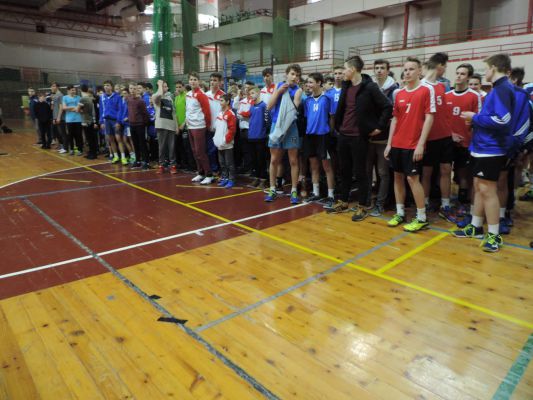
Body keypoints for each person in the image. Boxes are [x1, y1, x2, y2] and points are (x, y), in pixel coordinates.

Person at [452, 54, 515, 252]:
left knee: (488, 190)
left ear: (494, 68)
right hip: (482, 147)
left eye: (486, 68)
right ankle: (476, 226)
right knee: (479, 187)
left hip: (491, 149)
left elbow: (503, 120)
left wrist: (475, 118)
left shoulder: (503, 89)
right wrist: (476, 120)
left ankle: (494, 235)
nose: (485, 72)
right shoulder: (497, 89)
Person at [332, 55, 392, 221]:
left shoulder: (369, 87)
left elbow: (387, 106)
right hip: (343, 135)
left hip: (359, 137)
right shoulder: (346, 85)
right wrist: (338, 127)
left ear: (352, 69)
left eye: (345, 69)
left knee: (361, 172)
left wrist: (379, 127)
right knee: (344, 170)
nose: (343, 72)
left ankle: (363, 206)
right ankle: (344, 201)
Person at [384, 56, 435, 232]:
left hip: (413, 144)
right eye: (405, 69)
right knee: (397, 177)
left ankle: (421, 218)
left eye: (411, 69)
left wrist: (421, 144)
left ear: (420, 71)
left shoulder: (426, 90)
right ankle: (400, 213)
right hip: (397, 143)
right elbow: (395, 119)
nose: (407, 72)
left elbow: (429, 118)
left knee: (412, 179)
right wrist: (389, 144)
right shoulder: (399, 93)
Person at [445, 63, 482, 228]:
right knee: (445, 171)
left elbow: (478, 119)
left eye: (463, 74)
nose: (459, 76)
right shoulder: (447, 95)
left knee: (463, 175)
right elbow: (442, 119)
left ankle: (463, 202)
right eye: (457, 73)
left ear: (468, 77)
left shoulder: (474, 96)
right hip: (448, 140)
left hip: (466, 142)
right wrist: (450, 134)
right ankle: (445, 202)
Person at [420, 57, 454, 222]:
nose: (445, 69)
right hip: (429, 138)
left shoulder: (442, 86)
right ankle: (425, 202)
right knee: (426, 172)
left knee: (446, 170)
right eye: (445, 66)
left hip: (445, 136)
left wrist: (451, 131)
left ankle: (445, 205)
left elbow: (445, 112)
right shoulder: (421, 86)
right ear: (439, 66)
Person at [264, 64, 303, 204]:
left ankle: (294, 190)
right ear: (286, 74)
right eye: (292, 74)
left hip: (290, 127)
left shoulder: (298, 91)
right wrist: (279, 92)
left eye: (297, 75)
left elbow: (294, 109)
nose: (294, 77)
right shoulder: (279, 86)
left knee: (293, 161)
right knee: (274, 160)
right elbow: (269, 106)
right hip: (276, 126)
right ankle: (272, 189)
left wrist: (289, 97)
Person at [367, 58, 398, 216]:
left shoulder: (394, 90)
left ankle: (381, 204)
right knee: (368, 171)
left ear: (387, 70)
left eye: (382, 68)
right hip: (368, 138)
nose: (379, 70)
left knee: (383, 173)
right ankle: (367, 201)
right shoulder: (369, 87)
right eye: (377, 68)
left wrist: (380, 128)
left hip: (384, 138)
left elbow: (393, 116)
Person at [303, 73, 336, 204]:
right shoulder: (307, 100)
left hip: (323, 136)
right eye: (308, 82)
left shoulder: (327, 98)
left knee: (326, 166)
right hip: (310, 136)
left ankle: (331, 195)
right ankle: (316, 192)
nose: (308, 85)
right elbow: (308, 117)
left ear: (319, 83)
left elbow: (332, 117)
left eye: (311, 82)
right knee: (314, 165)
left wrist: (330, 132)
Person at [186, 72, 214, 184]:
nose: (192, 81)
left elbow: (207, 111)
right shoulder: (188, 94)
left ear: (199, 81)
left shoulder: (201, 95)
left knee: (200, 151)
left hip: (199, 126)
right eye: (191, 79)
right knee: (194, 151)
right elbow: (188, 110)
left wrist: (207, 125)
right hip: (190, 126)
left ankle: (209, 174)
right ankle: (201, 172)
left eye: (195, 79)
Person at [152, 80, 178, 174]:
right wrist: (160, 84)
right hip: (161, 125)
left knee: (171, 147)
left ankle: (173, 165)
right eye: (163, 86)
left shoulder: (170, 98)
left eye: (166, 86)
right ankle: (161, 165)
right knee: (162, 147)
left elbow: (173, 113)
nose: (165, 88)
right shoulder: (155, 96)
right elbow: (159, 94)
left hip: (171, 125)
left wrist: (176, 126)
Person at [214, 94, 237, 188]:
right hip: (220, 143)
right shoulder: (220, 113)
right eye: (220, 100)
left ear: (227, 102)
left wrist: (226, 140)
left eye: (222, 100)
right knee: (222, 163)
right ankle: (225, 178)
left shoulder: (231, 114)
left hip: (227, 144)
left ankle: (231, 179)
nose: (220, 102)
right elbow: (217, 127)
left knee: (229, 163)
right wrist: (216, 139)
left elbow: (232, 130)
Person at [247, 86, 268, 188]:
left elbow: (267, 120)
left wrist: (265, 132)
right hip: (251, 136)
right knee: (253, 159)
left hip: (261, 137)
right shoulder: (251, 106)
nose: (251, 95)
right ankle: (256, 178)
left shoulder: (264, 105)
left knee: (261, 159)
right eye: (250, 94)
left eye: (252, 93)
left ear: (258, 93)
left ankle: (263, 179)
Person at [127, 84, 151, 169]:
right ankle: (138, 161)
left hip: (140, 125)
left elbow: (145, 113)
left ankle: (146, 161)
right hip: (132, 124)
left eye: (134, 89)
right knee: (135, 143)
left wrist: (144, 123)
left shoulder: (141, 101)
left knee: (142, 143)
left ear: (137, 90)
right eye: (131, 88)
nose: (132, 90)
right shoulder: (129, 99)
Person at [99, 80, 123, 163]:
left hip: (115, 120)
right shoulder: (102, 97)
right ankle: (115, 156)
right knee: (111, 139)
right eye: (105, 85)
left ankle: (123, 157)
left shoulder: (117, 97)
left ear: (111, 87)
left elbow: (120, 110)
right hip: (106, 121)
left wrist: (118, 121)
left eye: (108, 85)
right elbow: (101, 110)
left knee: (119, 139)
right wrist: (101, 122)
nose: (106, 87)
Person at [62, 85, 83, 156]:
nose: (74, 91)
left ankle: (79, 149)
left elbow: (79, 108)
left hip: (78, 119)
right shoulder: (65, 97)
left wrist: (70, 108)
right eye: (72, 90)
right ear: (68, 91)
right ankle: (71, 149)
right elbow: (64, 107)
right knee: (70, 135)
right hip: (69, 120)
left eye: (74, 90)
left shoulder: (78, 97)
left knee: (78, 135)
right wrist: (73, 107)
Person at [79, 84, 98, 159]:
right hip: (91, 120)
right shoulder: (91, 99)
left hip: (87, 120)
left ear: (81, 90)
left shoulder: (83, 99)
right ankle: (92, 152)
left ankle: (93, 154)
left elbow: (78, 109)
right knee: (91, 138)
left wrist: (80, 110)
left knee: (90, 138)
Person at [50, 82, 66, 153]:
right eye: (51, 86)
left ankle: (65, 147)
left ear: (57, 87)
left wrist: (58, 117)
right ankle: (61, 146)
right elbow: (53, 108)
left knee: (62, 133)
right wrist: (54, 118)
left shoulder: (60, 95)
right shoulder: (54, 95)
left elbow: (61, 107)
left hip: (61, 118)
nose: (52, 88)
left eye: (53, 86)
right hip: (55, 117)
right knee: (57, 133)